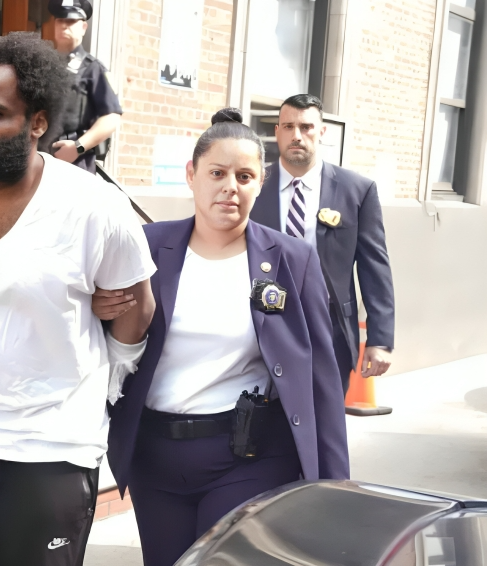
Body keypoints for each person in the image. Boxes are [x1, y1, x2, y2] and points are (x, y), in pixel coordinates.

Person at [0, 33, 156, 566]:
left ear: (37, 123)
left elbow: (137, 305)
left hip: (51, 451)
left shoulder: (96, 208)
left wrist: (108, 383)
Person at [99, 108, 350, 566]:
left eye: (244, 176)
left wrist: (335, 485)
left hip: (248, 458)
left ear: (261, 183)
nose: (230, 186)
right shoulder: (148, 246)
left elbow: (320, 379)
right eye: (217, 173)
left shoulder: (293, 260)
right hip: (155, 458)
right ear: (192, 175)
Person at [250, 94, 395, 393]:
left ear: (322, 132)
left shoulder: (357, 190)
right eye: (288, 127)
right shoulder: (251, 186)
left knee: (325, 417)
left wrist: (380, 339)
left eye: (306, 127)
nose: (297, 136)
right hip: (260, 325)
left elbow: (374, 267)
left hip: (330, 329)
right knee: (261, 417)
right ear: (277, 131)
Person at [47, 0, 123, 173]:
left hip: (74, 164)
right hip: (39, 158)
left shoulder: (93, 69)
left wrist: (77, 147)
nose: (64, 25)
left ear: (83, 27)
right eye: (60, 20)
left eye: (71, 21)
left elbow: (111, 117)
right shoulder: (43, 64)